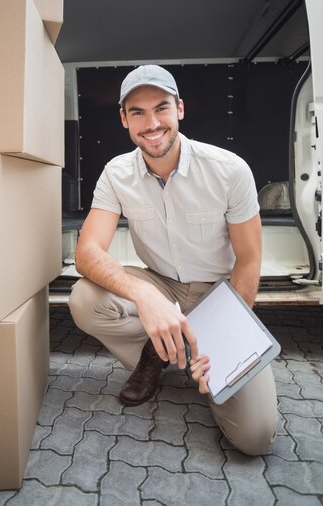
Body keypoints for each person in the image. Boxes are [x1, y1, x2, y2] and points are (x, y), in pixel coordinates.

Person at [69, 64, 277, 455]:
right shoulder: (116, 174)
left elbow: (248, 261)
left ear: (179, 109)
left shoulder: (229, 170)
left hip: (220, 295)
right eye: (138, 112)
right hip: (161, 283)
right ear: (123, 120)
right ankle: (160, 353)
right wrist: (147, 299)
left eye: (161, 108)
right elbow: (87, 253)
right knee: (84, 299)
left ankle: (195, 353)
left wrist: (223, 342)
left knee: (255, 437)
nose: (151, 123)